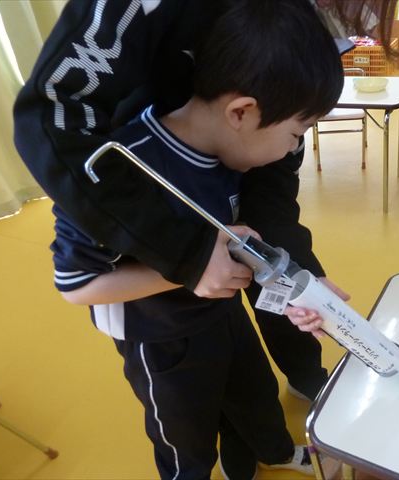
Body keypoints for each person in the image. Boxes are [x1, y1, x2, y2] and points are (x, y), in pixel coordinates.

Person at [49, 1, 343, 479]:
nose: (293, 149)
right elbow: (75, 285)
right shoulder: (119, 171)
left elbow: (245, 232)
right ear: (242, 112)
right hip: (159, 341)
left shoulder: (228, 151)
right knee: (186, 439)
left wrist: (301, 284)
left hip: (221, 313)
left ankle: (272, 452)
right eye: (296, 133)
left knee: (254, 394)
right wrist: (190, 269)